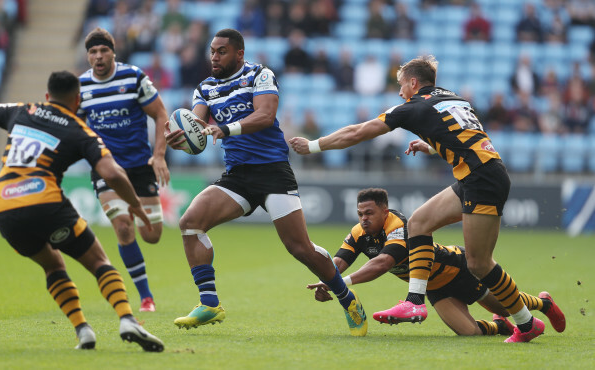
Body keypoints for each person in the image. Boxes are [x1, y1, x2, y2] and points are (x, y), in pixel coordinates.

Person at [289, 55, 545, 343]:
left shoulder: (414, 107)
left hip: (481, 179)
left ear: (413, 82)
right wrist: (432, 146)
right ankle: (414, 300)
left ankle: (526, 323)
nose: (399, 92)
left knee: (479, 263)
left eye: (401, 85)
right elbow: (465, 135)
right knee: (419, 222)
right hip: (476, 174)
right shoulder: (454, 98)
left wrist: (312, 145)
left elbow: (359, 131)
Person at [164, 28, 367, 336]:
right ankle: (209, 303)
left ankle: (347, 298)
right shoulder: (205, 88)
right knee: (190, 223)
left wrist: (225, 129)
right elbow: (198, 127)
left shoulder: (260, 75)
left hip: (273, 172)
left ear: (239, 54)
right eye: (212, 51)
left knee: (299, 248)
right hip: (238, 176)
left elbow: (265, 115)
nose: (214, 57)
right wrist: (180, 137)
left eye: (221, 51)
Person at [0, 71, 164, 351]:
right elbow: (114, 174)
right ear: (77, 100)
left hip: (4, 208)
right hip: (45, 202)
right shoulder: (79, 129)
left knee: (53, 266)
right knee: (98, 262)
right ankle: (127, 319)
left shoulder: (21, 110)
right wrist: (134, 203)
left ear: (47, 96)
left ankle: (83, 329)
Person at [307, 188, 566, 336]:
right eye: (360, 214)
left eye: (369, 213)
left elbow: (383, 262)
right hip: (433, 287)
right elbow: (338, 261)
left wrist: (340, 283)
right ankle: (500, 326)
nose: (363, 219)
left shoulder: (398, 224)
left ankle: (544, 303)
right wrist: (327, 280)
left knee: (507, 304)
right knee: (469, 333)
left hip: (458, 269)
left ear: (384, 211)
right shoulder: (358, 233)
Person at [78, 28, 170, 313]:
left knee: (152, 234)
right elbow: (75, 127)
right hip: (106, 168)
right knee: (123, 227)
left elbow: (160, 114)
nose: (98, 56)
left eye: (103, 50)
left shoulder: (133, 77)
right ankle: (146, 297)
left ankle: (132, 210)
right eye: (93, 52)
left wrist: (159, 156)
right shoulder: (80, 87)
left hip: (140, 166)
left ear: (113, 52)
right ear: (88, 56)